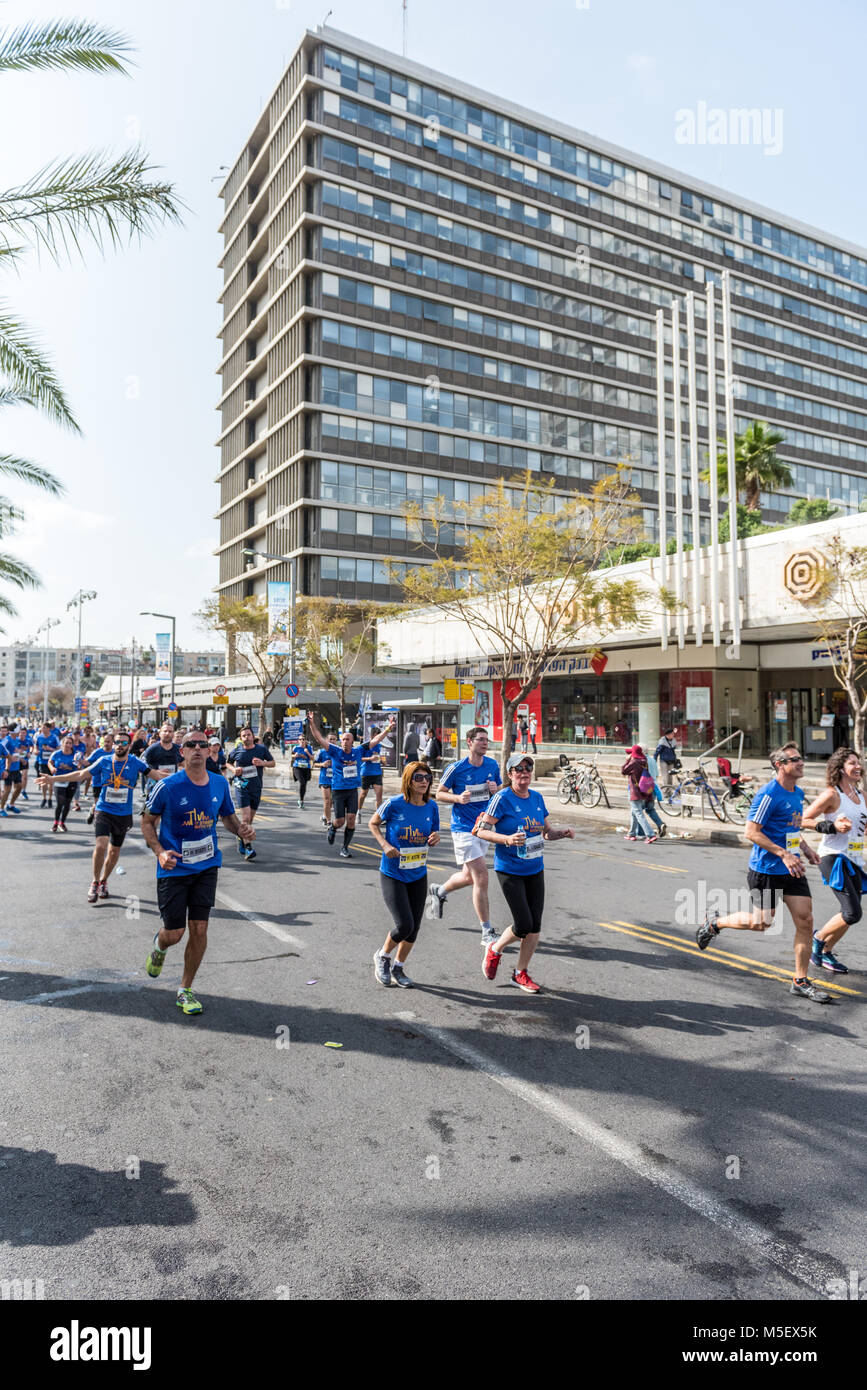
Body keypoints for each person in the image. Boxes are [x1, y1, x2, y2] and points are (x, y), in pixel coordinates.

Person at [696, 744, 829, 1003]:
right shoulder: (768, 794)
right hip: (766, 869)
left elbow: (791, 826)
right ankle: (715, 923)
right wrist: (783, 854)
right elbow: (751, 832)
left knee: (805, 920)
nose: (801, 762)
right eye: (795, 759)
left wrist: (806, 849)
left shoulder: (797, 793)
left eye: (801, 758)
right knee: (762, 923)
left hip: (792, 867)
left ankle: (800, 981)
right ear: (780, 765)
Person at [141, 730, 255, 1015]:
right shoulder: (168, 786)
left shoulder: (218, 783)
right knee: (175, 932)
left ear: (209, 751)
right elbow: (146, 822)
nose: (196, 748)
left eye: (202, 745)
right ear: (182, 752)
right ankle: (160, 944)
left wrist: (240, 829)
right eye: (190, 745)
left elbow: (227, 817)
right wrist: (160, 852)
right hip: (174, 868)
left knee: (200, 928)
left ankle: (185, 989)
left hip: (207, 866)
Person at [476, 753, 574, 993]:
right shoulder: (502, 798)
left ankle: (520, 973)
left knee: (535, 926)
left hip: (534, 868)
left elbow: (546, 833)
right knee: (523, 924)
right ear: (509, 775)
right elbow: (480, 830)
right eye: (518, 769)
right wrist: (506, 839)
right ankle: (495, 949)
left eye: (528, 768)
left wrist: (561, 833)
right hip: (509, 869)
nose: (524, 772)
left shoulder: (537, 798)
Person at [41, 729, 158, 903]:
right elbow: (81, 774)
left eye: (124, 742)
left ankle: (104, 880)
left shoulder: (135, 763)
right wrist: (53, 779)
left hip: (124, 814)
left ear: (129, 745)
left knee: (114, 851)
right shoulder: (103, 761)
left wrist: (185, 777)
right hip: (104, 810)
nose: (120, 745)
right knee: (101, 845)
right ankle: (95, 882)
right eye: (117, 742)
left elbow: (157, 775)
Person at [427, 726, 502, 945]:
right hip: (463, 829)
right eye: (480, 740)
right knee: (481, 877)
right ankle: (487, 931)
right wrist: (458, 798)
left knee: (469, 877)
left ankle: (439, 891)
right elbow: (439, 793)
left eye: (487, 740)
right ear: (469, 742)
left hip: (483, 828)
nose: (485, 743)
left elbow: (498, 791)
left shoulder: (492, 765)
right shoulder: (456, 768)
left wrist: (494, 789)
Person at [370, 761, 441, 989]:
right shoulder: (394, 804)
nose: (423, 782)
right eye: (418, 777)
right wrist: (384, 845)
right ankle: (382, 956)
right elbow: (373, 823)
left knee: (415, 928)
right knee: (404, 925)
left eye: (427, 778)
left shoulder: (432, 807)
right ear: (409, 780)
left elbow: (434, 832)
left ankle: (398, 967)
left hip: (418, 873)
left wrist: (435, 838)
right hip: (393, 873)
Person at [801, 747, 866, 975]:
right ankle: (818, 940)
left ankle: (826, 951)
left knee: (849, 913)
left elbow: (863, 828)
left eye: (858, 762)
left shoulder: (861, 796)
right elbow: (804, 819)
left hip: (855, 859)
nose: (858, 766)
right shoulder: (832, 795)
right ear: (840, 769)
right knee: (852, 913)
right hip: (833, 858)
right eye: (852, 763)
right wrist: (832, 826)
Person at [308, 710, 395, 858]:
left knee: (351, 820)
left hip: (352, 790)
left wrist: (388, 728)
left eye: (347, 739)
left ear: (352, 741)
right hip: (338, 790)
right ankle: (333, 828)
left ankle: (345, 847)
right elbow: (319, 738)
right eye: (343, 739)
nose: (344, 742)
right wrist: (311, 723)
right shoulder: (335, 751)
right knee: (340, 821)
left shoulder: (358, 751)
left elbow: (376, 740)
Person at [227, 725, 275, 860]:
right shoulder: (237, 751)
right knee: (246, 818)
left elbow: (272, 763)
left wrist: (262, 763)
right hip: (241, 786)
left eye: (248, 735)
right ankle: (248, 848)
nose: (246, 737)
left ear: (253, 736)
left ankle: (240, 836)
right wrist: (233, 770)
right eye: (243, 736)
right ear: (240, 738)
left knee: (250, 819)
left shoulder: (261, 749)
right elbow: (228, 763)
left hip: (256, 787)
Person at [620, 746, 658, 842]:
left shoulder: (634, 762)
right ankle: (631, 834)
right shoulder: (644, 760)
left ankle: (650, 834)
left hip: (635, 791)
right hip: (643, 790)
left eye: (630, 753)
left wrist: (627, 761)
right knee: (634, 812)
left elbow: (623, 771)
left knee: (639, 813)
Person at [45, 735, 81, 831]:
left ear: (72, 745)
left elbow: (79, 767)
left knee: (67, 803)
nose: (68, 745)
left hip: (71, 781)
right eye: (66, 743)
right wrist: (52, 768)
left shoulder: (76, 754)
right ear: (62, 744)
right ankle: (56, 822)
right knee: (60, 803)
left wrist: (79, 764)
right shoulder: (56, 754)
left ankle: (62, 822)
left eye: (70, 743)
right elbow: (49, 762)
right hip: (59, 781)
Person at [357, 729, 385, 817]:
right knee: (363, 794)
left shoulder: (380, 746)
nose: (378, 738)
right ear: (372, 736)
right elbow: (358, 758)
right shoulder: (365, 745)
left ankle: (379, 816)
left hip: (377, 773)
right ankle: (359, 811)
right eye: (377, 736)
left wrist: (383, 761)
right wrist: (369, 759)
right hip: (366, 773)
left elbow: (381, 757)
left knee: (379, 796)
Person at [0, 723, 24, 817]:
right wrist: (9, 758)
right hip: (8, 768)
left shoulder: (17, 740)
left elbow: (16, 752)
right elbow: (2, 751)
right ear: (14, 730)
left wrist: (22, 757)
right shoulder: (6, 740)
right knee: (7, 790)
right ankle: (1, 808)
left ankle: (11, 804)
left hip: (16, 768)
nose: (19, 731)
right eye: (18, 729)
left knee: (19, 787)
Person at [35, 722, 60, 808]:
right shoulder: (39, 737)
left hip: (51, 762)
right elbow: (36, 747)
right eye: (42, 727)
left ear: (49, 728)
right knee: (43, 781)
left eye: (45, 727)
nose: (43, 729)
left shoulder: (54, 737)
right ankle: (44, 798)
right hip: (42, 761)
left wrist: (50, 749)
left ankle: (49, 799)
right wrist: (36, 751)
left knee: (50, 781)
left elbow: (59, 749)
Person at [316, 734, 337, 826]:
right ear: (327, 740)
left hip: (335, 780)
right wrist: (322, 764)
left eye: (334, 739)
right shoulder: (321, 752)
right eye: (330, 739)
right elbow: (314, 764)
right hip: (324, 779)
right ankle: (328, 821)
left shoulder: (338, 752)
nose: (332, 741)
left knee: (332, 801)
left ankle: (325, 815)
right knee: (327, 800)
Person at [290, 735, 315, 809]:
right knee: (302, 782)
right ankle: (301, 801)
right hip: (297, 767)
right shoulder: (296, 747)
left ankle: (301, 800)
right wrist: (295, 755)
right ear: (298, 741)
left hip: (306, 768)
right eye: (300, 739)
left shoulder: (309, 748)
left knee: (304, 784)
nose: (302, 741)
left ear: (305, 740)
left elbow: (312, 758)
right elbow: (292, 755)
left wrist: (307, 753)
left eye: (303, 739)